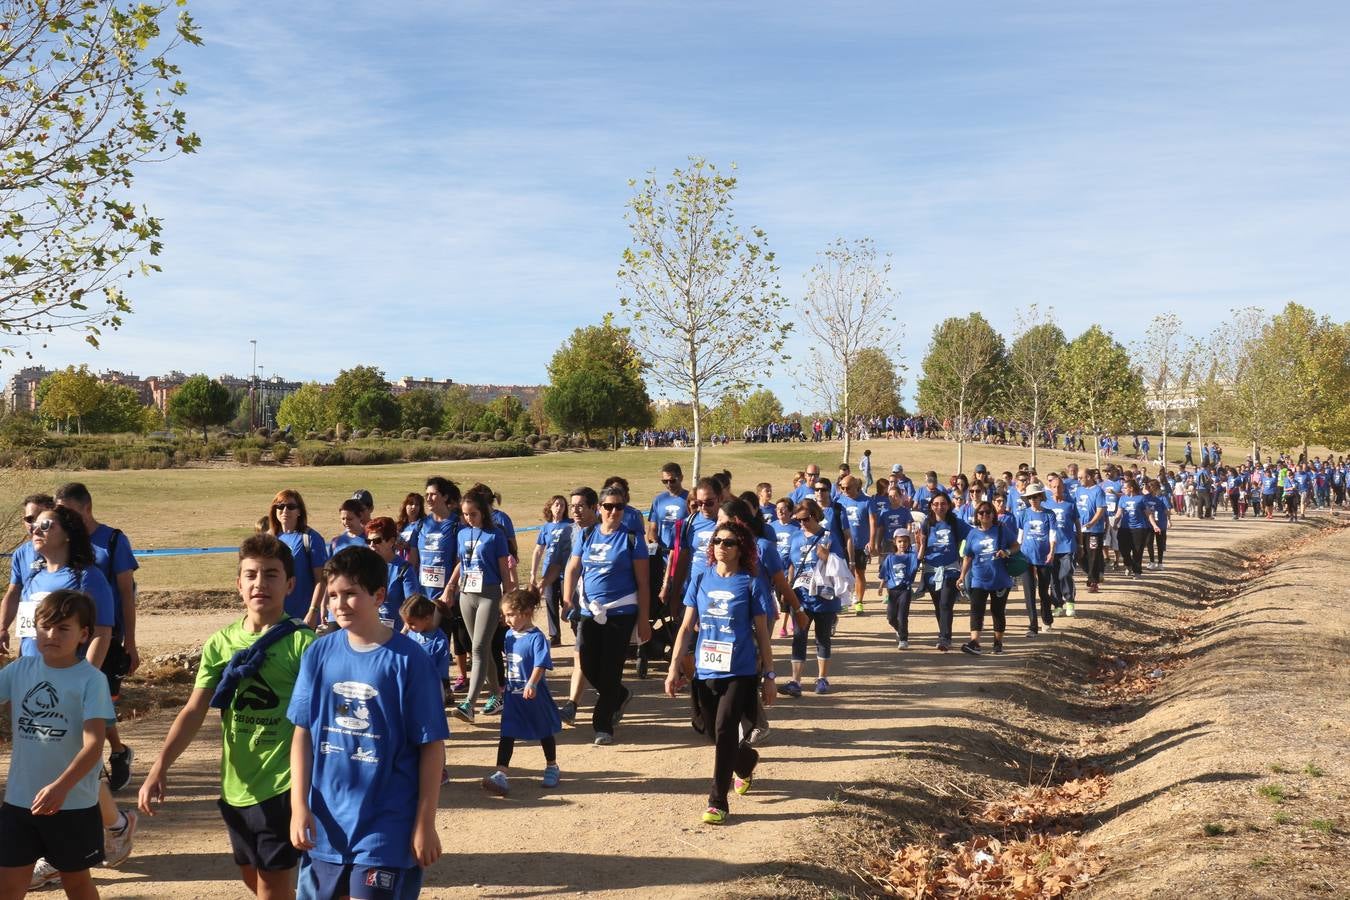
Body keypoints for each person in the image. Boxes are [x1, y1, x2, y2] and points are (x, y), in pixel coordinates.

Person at [137, 533, 314, 900]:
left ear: (290, 583)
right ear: (238, 584)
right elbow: (194, 710)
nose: (260, 584)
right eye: (250, 575)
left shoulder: (304, 644)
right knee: (251, 875)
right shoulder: (220, 643)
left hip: (282, 784)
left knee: (270, 884)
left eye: (271, 574)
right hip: (236, 784)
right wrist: (160, 766)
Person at [287, 547, 448, 899]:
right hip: (326, 825)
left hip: (386, 826)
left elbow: (432, 747)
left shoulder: (409, 661)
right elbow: (302, 733)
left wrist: (425, 822)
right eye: (332, 595)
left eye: (350, 594)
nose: (339, 604)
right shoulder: (318, 653)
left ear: (378, 596)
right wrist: (299, 806)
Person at [0, 590, 114, 900]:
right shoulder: (19, 670)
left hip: (72, 805)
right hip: (19, 803)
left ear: (83, 634)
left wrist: (61, 787)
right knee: (8, 887)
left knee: (76, 885)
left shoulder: (91, 680)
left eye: (64, 628)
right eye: (44, 626)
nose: (52, 634)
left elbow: (94, 745)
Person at [665, 521, 775, 825]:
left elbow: (763, 633)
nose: (721, 547)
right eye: (717, 541)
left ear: (741, 549)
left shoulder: (751, 582)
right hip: (705, 669)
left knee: (726, 728)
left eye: (728, 542)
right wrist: (674, 665)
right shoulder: (701, 578)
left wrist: (769, 675)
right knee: (711, 730)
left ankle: (717, 800)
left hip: (740, 671)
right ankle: (745, 761)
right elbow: (687, 626)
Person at [54, 483, 139, 792]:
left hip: (103, 635)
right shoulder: (60, 541)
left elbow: (126, 595)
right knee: (84, 702)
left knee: (92, 700)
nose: (61, 517)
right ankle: (112, 753)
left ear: (87, 508)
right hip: (66, 637)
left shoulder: (113, 541)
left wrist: (130, 642)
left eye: (67, 511)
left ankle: (100, 762)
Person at [561, 486, 652, 745]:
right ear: (599, 508)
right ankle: (620, 694)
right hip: (589, 611)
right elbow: (573, 568)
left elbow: (643, 583)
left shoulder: (632, 539)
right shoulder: (587, 535)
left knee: (611, 669)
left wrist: (643, 620)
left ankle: (603, 726)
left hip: (621, 612)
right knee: (588, 664)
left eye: (619, 506)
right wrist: (568, 600)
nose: (614, 511)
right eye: (609, 506)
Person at [481, 588, 562, 796]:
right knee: (507, 732)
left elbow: (540, 664)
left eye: (510, 614)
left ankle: (552, 766)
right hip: (513, 695)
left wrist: (532, 683)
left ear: (526, 612)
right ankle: (501, 773)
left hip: (534, 695)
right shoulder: (509, 635)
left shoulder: (537, 638)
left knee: (544, 730)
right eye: (504, 615)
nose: (506, 620)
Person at [447, 490, 515, 724]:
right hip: (467, 594)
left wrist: (507, 603)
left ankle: (470, 703)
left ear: (483, 512)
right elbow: (461, 563)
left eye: (473, 514)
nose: (469, 518)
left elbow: (505, 572)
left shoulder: (496, 535)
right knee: (480, 649)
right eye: (465, 514)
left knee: (478, 648)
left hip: (488, 594)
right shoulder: (463, 533)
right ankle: (497, 695)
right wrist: (450, 587)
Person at [783, 499, 846, 695]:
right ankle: (796, 682)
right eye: (798, 519)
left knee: (822, 637)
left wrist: (827, 556)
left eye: (806, 519)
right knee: (799, 637)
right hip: (801, 596)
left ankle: (822, 678)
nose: (802, 523)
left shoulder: (829, 537)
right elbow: (792, 565)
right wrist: (788, 590)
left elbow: (841, 566)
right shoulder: (795, 538)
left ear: (816, 516)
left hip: (824, 597)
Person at [958, 501, 1019, 655]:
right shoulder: (972, 533)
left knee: (997, 611)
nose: (984, 515)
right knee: (976, 610)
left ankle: (998, 643)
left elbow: (1016, 545)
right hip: (978, 577)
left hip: (1000, 578)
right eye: (981, 512)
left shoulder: (1001, 529)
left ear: (993, 514)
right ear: (977, 516)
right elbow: (968, 556)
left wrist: (1007, 552)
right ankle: (975, 643)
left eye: (988, 512)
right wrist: (962, 575)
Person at [915, 493, 969, 652]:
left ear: (948, 505)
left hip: (951, 569)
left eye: (943, 503)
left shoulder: (955, 523)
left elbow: (973, 534)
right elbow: (922, 546)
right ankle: (946, 634)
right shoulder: (926, 523)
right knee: (939, 605)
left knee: (946, 604)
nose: (940, 506)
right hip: (931, 571)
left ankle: (944, 638)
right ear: (931, 506)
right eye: (936, 503)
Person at [266, 490, 328, 625]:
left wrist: (313, 611)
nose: (285, 510)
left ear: (299, 511)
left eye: (291, 507)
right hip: (273, 615)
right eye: (280, 506)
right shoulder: (269, 538)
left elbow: (321, 579)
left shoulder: (311, 538)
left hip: (302, 616)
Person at [530, 496, 573, 647]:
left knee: (568, 601)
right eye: (556, 504)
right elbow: (538, 550)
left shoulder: (571, 525)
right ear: (550, 507)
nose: (559, 507)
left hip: (567, 571)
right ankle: (555, 635)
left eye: (562, 505)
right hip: (549, 571)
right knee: (550, 603)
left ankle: (577, 629)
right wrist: (532, 574)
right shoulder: (546, 528)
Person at [1016, 485, 1058, 636]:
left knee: (1043, 591)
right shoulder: (1023, 514)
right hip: (1026, 557)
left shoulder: (1049, 514)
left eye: (1035, 497)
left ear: (1041, 497)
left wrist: (1051, 552)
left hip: (1044, 557)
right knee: (1029, 592)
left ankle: (1047, 620)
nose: (1032, 500)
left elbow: (1053, 535)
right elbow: (1019, 537)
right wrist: (1016, 555)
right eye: (1030, 497)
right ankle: (1032, 626)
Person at [364, 518, 419, 629]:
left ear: (391, 541)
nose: (372, 545)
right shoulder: (364, 567)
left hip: (397, 633)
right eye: (368, 541)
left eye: (377, 541)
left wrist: (404, 634)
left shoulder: (404, 569)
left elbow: (412, 607)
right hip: (370, 632)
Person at [401, 595, 451, 707]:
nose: (408, 627)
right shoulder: (411, 634)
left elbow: (442, 675)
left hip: (430, 691)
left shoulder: (439, 641)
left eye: (412, 623)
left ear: (427, 619)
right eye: (406, 623)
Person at [1043, 475, 1080, 617]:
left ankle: (1070, 601)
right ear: (1050, 488)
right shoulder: (1046, 505)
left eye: (1059, 486)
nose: (1057, 489)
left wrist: (1080, 544)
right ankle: (1057, 604)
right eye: (1054, 487)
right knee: (1054, 577)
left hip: (1068, 545)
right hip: (1052, 548)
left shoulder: (1070, 504)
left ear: (1063, 487)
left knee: (1065, 574)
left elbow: (1077, 524)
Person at [836, 477, 872, 615]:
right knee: (842, 575)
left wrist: (872, 541)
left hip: (860, 544)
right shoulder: (838, 501)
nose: (845, 491)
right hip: (843, 545)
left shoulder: (866, 501)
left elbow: (873, 522)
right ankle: (844, 601)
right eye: (842, 488)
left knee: (859, 573)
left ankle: (859, 602)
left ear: (856, 486)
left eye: (848, 488)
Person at [876, 532, 918, 649]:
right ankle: (899, 630)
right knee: (891, 617)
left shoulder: (911, 556)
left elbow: (918, 560)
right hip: (892, 591)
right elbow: (885, 573)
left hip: (905, 589)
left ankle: (904, 639)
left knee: (902, 616)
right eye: (900, 541)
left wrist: (920, 542)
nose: (902, 544)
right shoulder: (890, 557)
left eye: (905, 541)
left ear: (909, 542)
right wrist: (881, 586)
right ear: (895, 542)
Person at [1113, 479, 1159, 578]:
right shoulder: (1122, 499)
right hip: (1125, 528)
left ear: (1131, 488)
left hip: (1139, 528)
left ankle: (1137, 571)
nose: (1123, 489)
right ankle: (1128, 564)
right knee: (1123, 549)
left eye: (1125, 488)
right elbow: (1119, 512)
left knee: (1137, 551)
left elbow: (1148, 513)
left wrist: (1154, 525)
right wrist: (1115, 523)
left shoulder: (1141, 499)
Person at [1075, 469, 1108, 594]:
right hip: (1079, 529)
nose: (1078, 480)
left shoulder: (1098, 491)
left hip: (1094, 530)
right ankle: (1094, 572)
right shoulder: (1079, 490)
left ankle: (1093, 582)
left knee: (1093, 554)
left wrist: (1091, 523)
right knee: (1079, 555)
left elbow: (1100, 510)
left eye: (1080, 477)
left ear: (1088, 477)